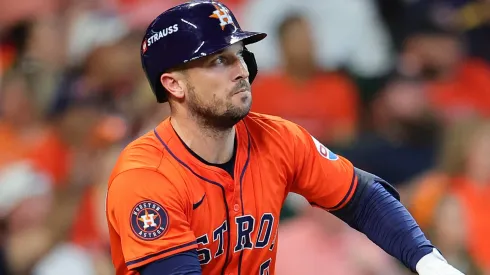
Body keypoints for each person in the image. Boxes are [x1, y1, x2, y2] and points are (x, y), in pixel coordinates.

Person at [104, 1, 464, 275]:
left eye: (238, 55)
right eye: (217, 61)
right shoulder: (146, 175)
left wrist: (430, 262)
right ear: (173, 84)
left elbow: (363, 198)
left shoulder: (277, 137)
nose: (241, 70)